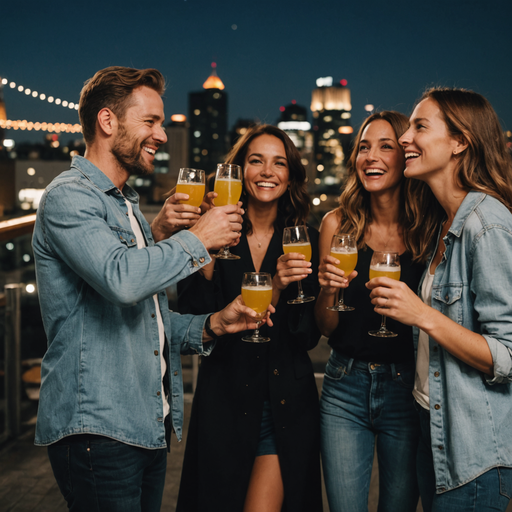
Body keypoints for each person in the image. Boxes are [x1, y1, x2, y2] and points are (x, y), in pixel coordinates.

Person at [32, 66, 272, 512]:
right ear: (108, 122)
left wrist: (216, 323)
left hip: (146, 425)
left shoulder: (128, 207)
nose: (161, 135)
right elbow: (121, 280)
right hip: (97, 429)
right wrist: (199, 237)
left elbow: (146, 320)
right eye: (151, 122)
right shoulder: (69, 197)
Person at [367, 88, 512, 511]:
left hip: (475, 454)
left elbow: (507, 354)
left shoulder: (486, 224)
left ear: (460, 141)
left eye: (419, 126)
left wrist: (422, 315)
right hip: (435, 431)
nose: (406, 139)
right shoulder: (446, 222)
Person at [176, 124, 323, 512]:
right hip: (223, 402)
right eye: (255, 161)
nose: (267, 171)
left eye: (279, 163)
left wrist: (283, 286)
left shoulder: (304, 238)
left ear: (290, 176)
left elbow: (306, 335)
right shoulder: (211, 229)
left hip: (286, 406)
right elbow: (196, 319)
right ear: (239, 171)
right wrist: (204, 245)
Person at [315, 111, 431, 511]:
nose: (371, 156)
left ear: (406, 155)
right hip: (344, 384)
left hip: (406, 387)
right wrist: (329, 288)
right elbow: (328, 327)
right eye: (364, 147)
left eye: (385, 146)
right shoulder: (336, 224)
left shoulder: (429, 229)